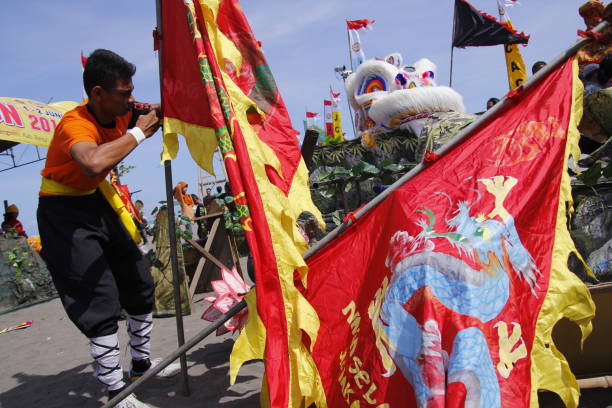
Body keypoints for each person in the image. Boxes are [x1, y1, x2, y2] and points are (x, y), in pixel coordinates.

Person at [36, 49, 177, 408]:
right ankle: (117, 392)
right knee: (98, 298)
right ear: (98, 93)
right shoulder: (75, 124)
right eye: (124, 93)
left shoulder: (126, 110)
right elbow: (93, 162)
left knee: (139, 281)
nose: (131, 99)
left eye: (132, 92)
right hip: (63, 210)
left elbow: (162, 109)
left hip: (98, 202)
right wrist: (139, 134)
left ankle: (141, 366)